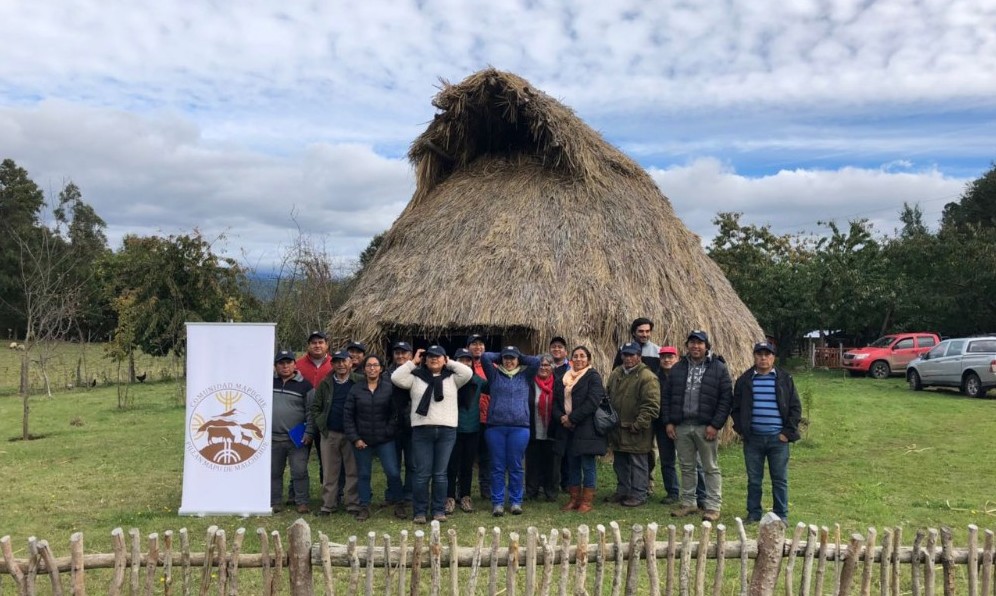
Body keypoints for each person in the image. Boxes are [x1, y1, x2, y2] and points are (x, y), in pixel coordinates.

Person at [391, 345, 473, 524]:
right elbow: (396, 377)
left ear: (444, 359)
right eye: (430, 356)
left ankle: (437, 510)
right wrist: (413, 362)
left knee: (440, 474)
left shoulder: (453, 378)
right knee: (422, 474)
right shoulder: (415, 378)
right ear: (424, 360)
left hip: (446, 431)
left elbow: (467, 372)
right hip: (422, 430)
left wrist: (449, 360)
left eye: (438, 356)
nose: (434, 359)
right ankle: (419, 511)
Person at [664, 330, 733, 523]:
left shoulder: (718, 368)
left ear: (706, 346)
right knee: (686, 466)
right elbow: (667, 397)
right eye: (692, 343)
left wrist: (715, 424)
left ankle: (713, 506)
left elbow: (725, 398)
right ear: (687, 346)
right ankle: (688, 503)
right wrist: (669, 422)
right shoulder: (678, 368)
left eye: (700, 343)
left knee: (710, 467)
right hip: (682, 425)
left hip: (706, 426)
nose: (696, 346)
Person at [731, 342, 802, 524]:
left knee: (779, 479)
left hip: (777, 439)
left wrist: (787, 433)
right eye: (759, 354)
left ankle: (781, 515)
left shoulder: (784, 378)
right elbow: (736, 408)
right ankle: (754, 513)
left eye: (767, 354)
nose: (763, 358)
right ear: (754, 356)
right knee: (754, 479)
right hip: (753, 439)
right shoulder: (745, 380)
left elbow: (795, 408)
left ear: (773, 357)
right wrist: (743, 430)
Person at [479, 345, 542, 516]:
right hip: (495, 427)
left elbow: (536, 361)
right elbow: (485, 357)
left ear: (518, 360)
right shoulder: (494, 376)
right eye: (506, 358)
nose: (509, 361)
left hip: (519, 428)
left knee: (516, 466)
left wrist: (518, 354)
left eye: (512, 358)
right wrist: (502, 354)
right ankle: (498, 502)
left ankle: (515, 501)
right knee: (497, 466)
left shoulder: (525, 376)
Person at [344, 354, 403, 522]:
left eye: (375, 365)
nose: (372, 368)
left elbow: (395, 414)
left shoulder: (389, 387)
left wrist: (388, 431)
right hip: (362, 440)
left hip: (385, 439)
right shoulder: (356, 389)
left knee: (392, 472)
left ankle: (398, 502)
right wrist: (355, 438)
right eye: (369, 365)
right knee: (363, 474)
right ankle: (364, 506)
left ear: (381, 368)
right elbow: (348, 416)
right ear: (364, 369)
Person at [606, 341, 660, 507]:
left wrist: (638, 424)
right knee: (620, 462)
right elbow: (608, 395)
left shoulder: (647, 377)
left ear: (639, 356)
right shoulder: (616, 373)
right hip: (618, 428)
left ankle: (639, 494)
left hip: (636, 429)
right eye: (625, 355)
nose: (628, 358)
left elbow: (651, 405)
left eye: (632, 355)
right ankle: (623, 490)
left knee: (638, 463)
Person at [554, 346, 607, 513]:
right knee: (572, 464)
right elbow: (556, 402)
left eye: (582, 356)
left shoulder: (593, 377)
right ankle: (574, 499)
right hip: (567, 428)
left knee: (587, 464)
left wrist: (572, 418)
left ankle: (587, 501)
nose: (578, 359)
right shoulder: (564, 378)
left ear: (588, 359)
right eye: (575, 356)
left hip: (586, 427)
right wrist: (562, 417)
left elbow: (593, 401)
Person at [311, 350, 361, 516]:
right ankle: (328, 505)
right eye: (337, 361)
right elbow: (316, 407)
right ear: (332, 364)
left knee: (352, 471)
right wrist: (321, 424)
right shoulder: (325, 383)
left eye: (344, 361)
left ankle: (352, 504)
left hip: (352, 434)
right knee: (329, 472)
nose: (341, 365)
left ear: (350, 363)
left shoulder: (359, 382)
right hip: (330, 433)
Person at [271, 350, 315, 514]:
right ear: (275, 366)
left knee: (299, 471)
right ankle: (274, 501)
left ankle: (301, 501)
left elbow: (311, 411)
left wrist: (309, 432)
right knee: (274, 472)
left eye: (288, 362)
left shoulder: (306, 385)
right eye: (281, 363)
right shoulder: (267, 382)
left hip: (296, 438)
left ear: (294, 365)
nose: (285, 366)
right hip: (273, 437)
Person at [446, 348, 487, 513]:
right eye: (461, 360)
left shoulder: (477, 380)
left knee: (467, 465)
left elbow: (494, 386)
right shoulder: (448, 379)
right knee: (451, 465)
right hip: (452, 429)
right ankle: (449, 497)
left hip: (472, 429)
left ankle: (465, 496)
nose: (464, 363)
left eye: (467, 360)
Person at [294, 331, 332, 494]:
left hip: (326, 418)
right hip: (303, 418)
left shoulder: (334, 364)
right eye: (313, 343)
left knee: (327, 459)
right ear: (308, 345)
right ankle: (294, 492)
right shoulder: (297, 364)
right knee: (299, 457)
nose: (317, 345)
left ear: (326, 345)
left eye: (320, 342)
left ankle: (329, 494)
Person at [524, 353, 561, 501]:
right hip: (533, 427)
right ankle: (532, 491)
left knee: (552, 463)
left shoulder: (559, 383)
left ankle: (550, 492)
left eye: (546, 365)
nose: (543, 368)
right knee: (532, 462)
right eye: (540, 365)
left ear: (552, 367)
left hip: (552, 429)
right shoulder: (529, 382)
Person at [386, 340, 415, 516]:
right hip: (392, 425)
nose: (400, 356)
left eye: (404, 353)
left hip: (412, 425)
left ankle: (409, 494)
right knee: (393, 464)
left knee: (412, 463)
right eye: (397, 353)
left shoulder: (417, 373)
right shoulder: (385, 374)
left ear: (411, 355)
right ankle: (393, 494)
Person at [467, 334, 492, 500]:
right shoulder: (464, 366)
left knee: (487, 457)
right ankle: (463, 491)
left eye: (481, 344)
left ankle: (486, 489)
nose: (478, 347)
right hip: (470, 418)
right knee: (467, 456)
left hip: (489, 418)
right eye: (474, 344)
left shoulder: (491, 366)